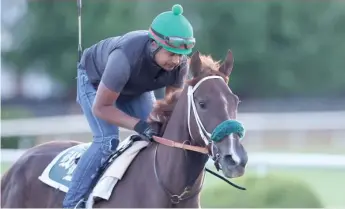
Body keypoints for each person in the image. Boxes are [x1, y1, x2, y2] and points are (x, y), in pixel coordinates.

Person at [62, 4, 195, 209]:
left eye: (180, 55)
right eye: (171, 54)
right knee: (107, 140)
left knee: (160, 134)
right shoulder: (124, 58)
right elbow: (102, 108)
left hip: (134, 88)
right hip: (95, 83)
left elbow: (171, 109)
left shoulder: (180, 63)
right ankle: (72, 204)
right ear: (153, 45)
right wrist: (138, 125)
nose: (176, 61)